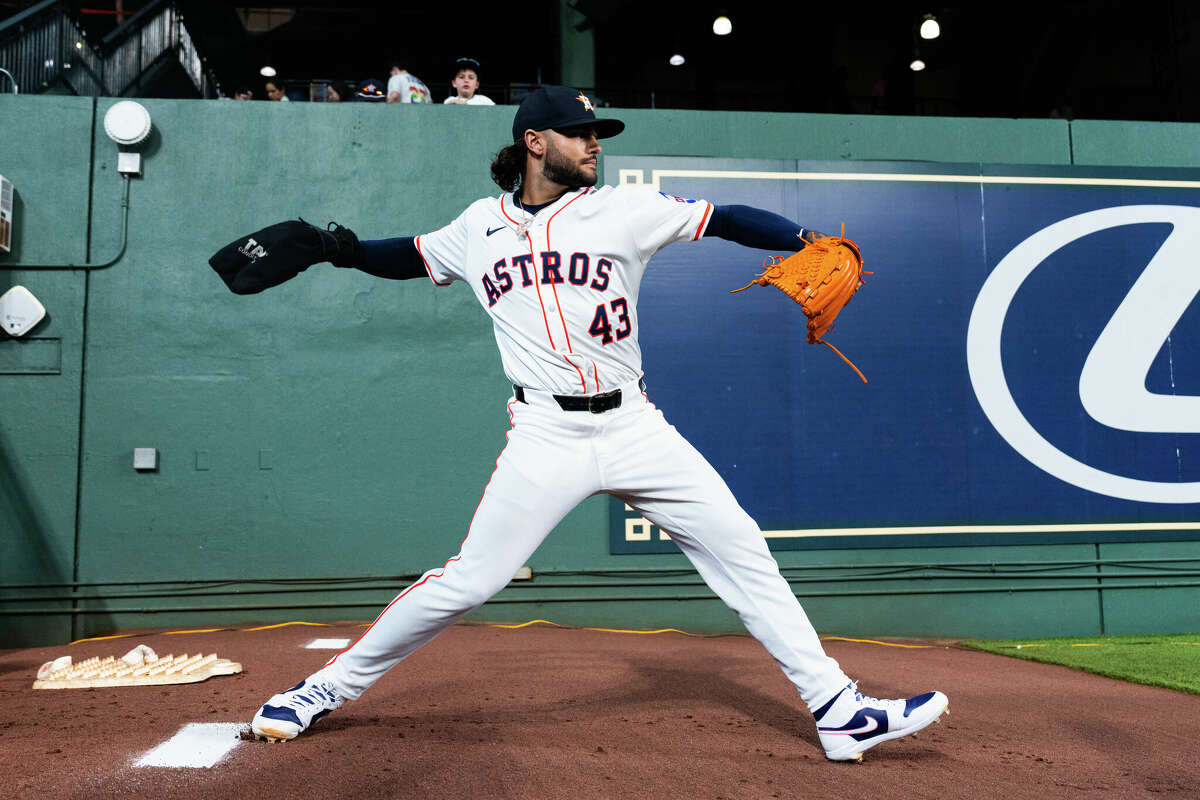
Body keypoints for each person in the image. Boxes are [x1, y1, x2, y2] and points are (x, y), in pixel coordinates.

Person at [247, 85, 949, 762]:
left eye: (596, 134)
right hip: (545, 435)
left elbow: (727, 217)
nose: (593, 145)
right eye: (579, 133)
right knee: (471, 579)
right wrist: (341, 249)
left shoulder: (624, 209)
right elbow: (411, 255)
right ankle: (321, 689)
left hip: (636, 427)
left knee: (740, 548)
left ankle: (838, 710)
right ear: (534, 142)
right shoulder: (477, 227)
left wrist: (804, 238)